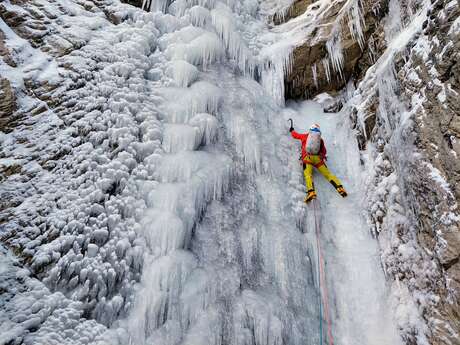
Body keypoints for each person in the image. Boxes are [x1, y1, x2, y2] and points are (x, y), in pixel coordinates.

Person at [289, 123, 347, 203]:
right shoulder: (320, 140)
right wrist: (321, 156)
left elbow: (295, 135)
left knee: (308, 175)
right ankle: (340, 187)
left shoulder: (305, 136)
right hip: (318, 159)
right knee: (328, 175)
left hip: (307, 158)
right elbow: (324, 151)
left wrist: (292, 130)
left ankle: (311, 192)